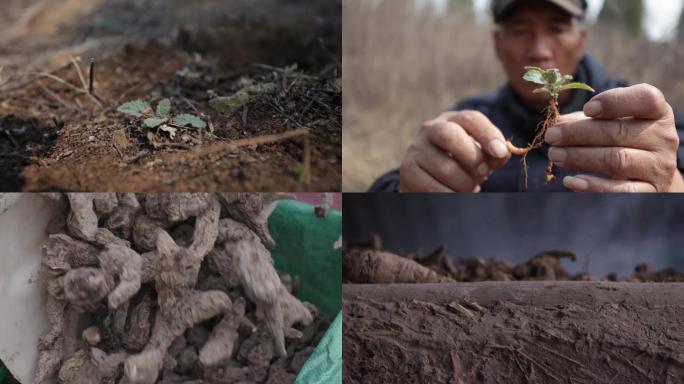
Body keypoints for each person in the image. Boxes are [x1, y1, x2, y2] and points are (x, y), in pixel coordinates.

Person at [370, 0, 684, 192]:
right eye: (521, 30)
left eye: (557, 29)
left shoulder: (643, 121)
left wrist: (672, 185)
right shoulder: (472, 119)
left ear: (582, 40)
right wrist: (406, 187)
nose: (540, 50)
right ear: (497, 44)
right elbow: (385, 195)